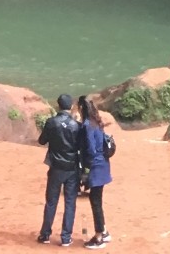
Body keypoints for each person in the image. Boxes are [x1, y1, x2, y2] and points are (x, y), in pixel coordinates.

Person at [37, 92, 86, 246]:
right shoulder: (76, 126)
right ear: (71, 106)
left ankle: (45, 234)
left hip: (56, 167)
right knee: (70, 202)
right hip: (71, 168)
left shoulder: (51, 122)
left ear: (58, 105)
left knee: (51, 201)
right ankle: (66, 237)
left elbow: (41, 140)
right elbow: (80, 146)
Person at [76, 95, 114, 247]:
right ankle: (103, 231)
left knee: (95, 201)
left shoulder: (87, 125)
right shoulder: (97, 122)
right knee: (96, 199)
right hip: (103, 164)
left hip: (95, 167)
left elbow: (90, 150)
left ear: (81, 108)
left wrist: (85, 171)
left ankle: (99, 237)